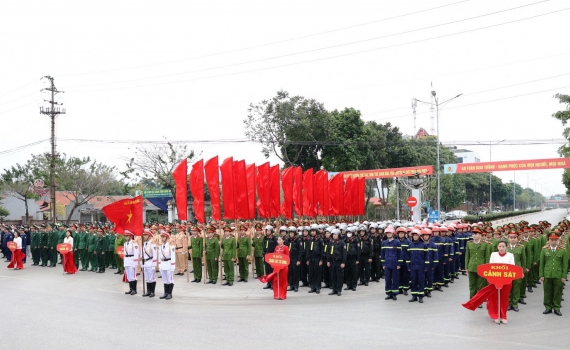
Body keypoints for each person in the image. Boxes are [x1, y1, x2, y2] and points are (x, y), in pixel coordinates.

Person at [539, 232, 568, 316]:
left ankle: (556, 308)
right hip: (547, 274)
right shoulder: (544, 250)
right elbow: (542, 264)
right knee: (547, 292)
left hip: (558, 275)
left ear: (558, 240)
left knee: (557, 292)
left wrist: (564, 276)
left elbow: (564, 264)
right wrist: (541, 275)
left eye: (555, 240)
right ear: (549, 240)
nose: (554, 241)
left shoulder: (562, 250)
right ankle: (548, 307)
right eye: (552, 240)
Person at [465, 226, 489, 303]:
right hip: (472, 267)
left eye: (476, 234)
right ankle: (472, 299)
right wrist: (466, 267)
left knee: (480, 285)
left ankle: (479, 300)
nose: (474, 235)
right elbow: (467, 256)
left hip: (481, 267)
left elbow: (487, 257)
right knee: (472, 285)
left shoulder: (485, 244)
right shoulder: (469, 244)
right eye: (473, 234)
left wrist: (486, 267)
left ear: (480, 235)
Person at [507, 230, 527, 312]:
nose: (512, 239)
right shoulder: (505, 247)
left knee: (516, 288)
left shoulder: (521, 247)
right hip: (507, 271)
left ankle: (515, 304)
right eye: (511, 237)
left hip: (517, 271)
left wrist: (522, 271)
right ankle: (509, 303)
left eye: (514, 238)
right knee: (508, 288)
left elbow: (523, 261)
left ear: (517, 239)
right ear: (508, 238)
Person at [407, 229, 428, 303]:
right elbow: (408, 257)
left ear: (419, 236)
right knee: (414, 281)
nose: (415, 237)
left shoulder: (424, 245)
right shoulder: (410, 245)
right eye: (414, 235)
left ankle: (421, 296)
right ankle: (414, 296)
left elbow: (426, 257)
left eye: (416, 235)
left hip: (421, 267)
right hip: (413, 267)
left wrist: (426, 267)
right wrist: (408, 266)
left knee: (421, 281)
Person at [381, 226, 401, 300]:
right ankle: (389, 293)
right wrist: (383, 264)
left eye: (389, 233)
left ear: (393, 233)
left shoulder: (397, 242)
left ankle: (394, 293)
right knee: (388, 279)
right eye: (387, 233)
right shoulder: (384, 243)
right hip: (387, 264)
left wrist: (399, 264)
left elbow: (400, 254)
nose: (388, 234)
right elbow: (382, 254)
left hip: (395, 264)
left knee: (395, 279)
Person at [327, 229, 346, 296]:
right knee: (333, 276)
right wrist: (328, 261)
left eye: (335, 234)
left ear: (338, 235)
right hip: (332, 261)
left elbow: (344, 254)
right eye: (333, 234)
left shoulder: (342, 243)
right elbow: (329, 252)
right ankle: (334, 289)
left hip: (339, 262)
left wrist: (343, 262)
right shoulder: (331, 242)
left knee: (339, 277)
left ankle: (339, 290)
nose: (334, 236)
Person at [158, 230, 176, 299]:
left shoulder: (171, 246)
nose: (162, 238)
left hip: (169, 264)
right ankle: (165, 293)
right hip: (163, 264)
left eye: (163, 237)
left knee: (170, 280)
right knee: (165, 280)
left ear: (167, 237)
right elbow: (159, 256)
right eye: (161, 237)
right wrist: (159, 265)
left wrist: (172, 267)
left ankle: (170, 293)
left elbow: (173, 257)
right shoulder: (161, 246)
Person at [141, 229, 158, 298]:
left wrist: (154, 265)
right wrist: (141, 263)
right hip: (145, 262)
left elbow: (155, 255)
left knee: (152, 278)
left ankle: (152, 292)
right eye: (144, 235)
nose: (144, 236)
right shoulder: (144, 243)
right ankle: (148, 291)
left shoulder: (153, 244)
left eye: (146, 235)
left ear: (149, 236)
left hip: (150, 262)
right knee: (147, 278)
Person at [123, 230, 140, 296]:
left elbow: (136, 253)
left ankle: (134, 290)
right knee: (129, 276)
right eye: (125, 236)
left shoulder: (134, 243)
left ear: (130, 236)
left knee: (133, 276)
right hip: (127, 261)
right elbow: (124, 253)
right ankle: (131, 289)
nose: (126, 237)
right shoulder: (125, 243)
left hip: (132, 260)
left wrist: (135, 263)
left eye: (127, 236)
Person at [286, 227, 302, 292]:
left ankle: (296, 286)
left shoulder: (298, 240)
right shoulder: (288, 240)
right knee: (290, 272)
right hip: (289, 258)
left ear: (295, 233)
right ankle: (291, 285)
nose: (291, 234)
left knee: (296, 273)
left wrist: (299, 260)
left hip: (295, 258)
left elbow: (300, 251)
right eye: (290, 233)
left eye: (292, 233)